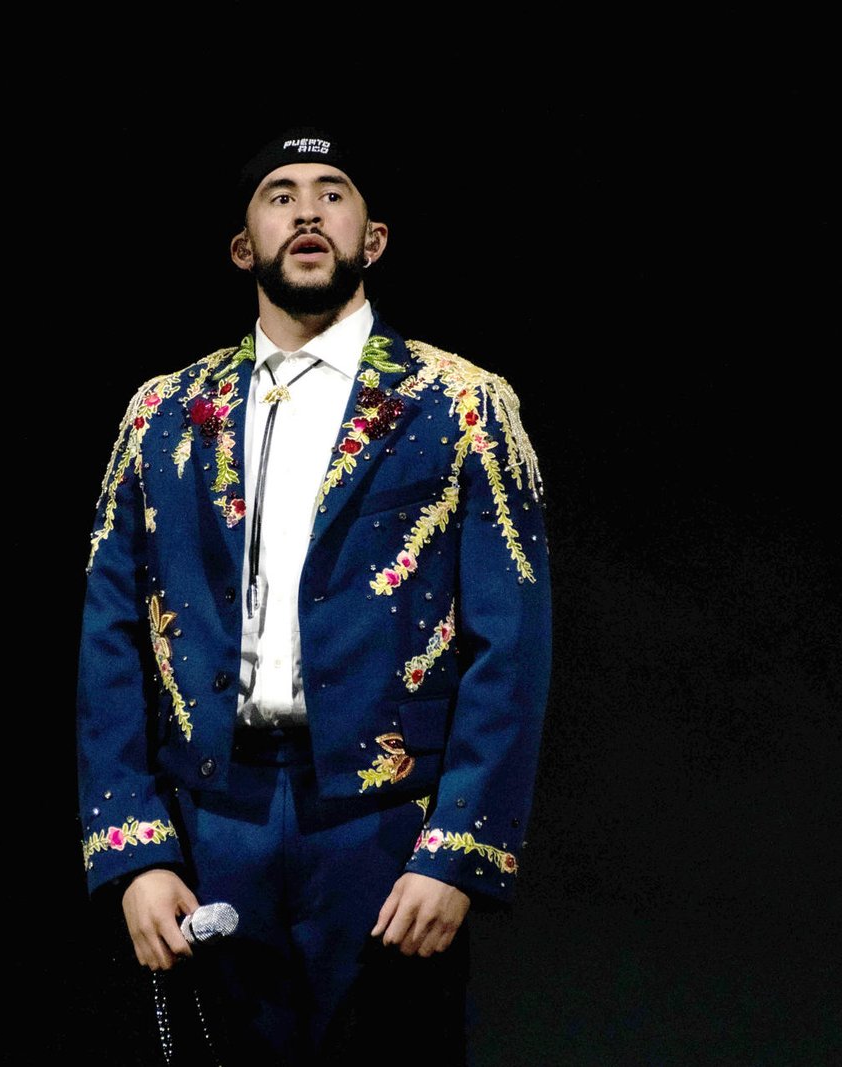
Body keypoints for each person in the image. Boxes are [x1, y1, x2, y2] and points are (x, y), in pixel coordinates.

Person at [75, 127, 552, 1065]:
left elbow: (513, 641)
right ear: (242, 245)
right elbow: (110, 631)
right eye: (280, 194)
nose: (306, 209)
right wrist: (135, 851)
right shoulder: (162, 413)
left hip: (385, 825)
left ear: (372, 238)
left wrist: (457, 847)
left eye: (332, 192)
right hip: (212, 818)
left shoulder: (460, 403)